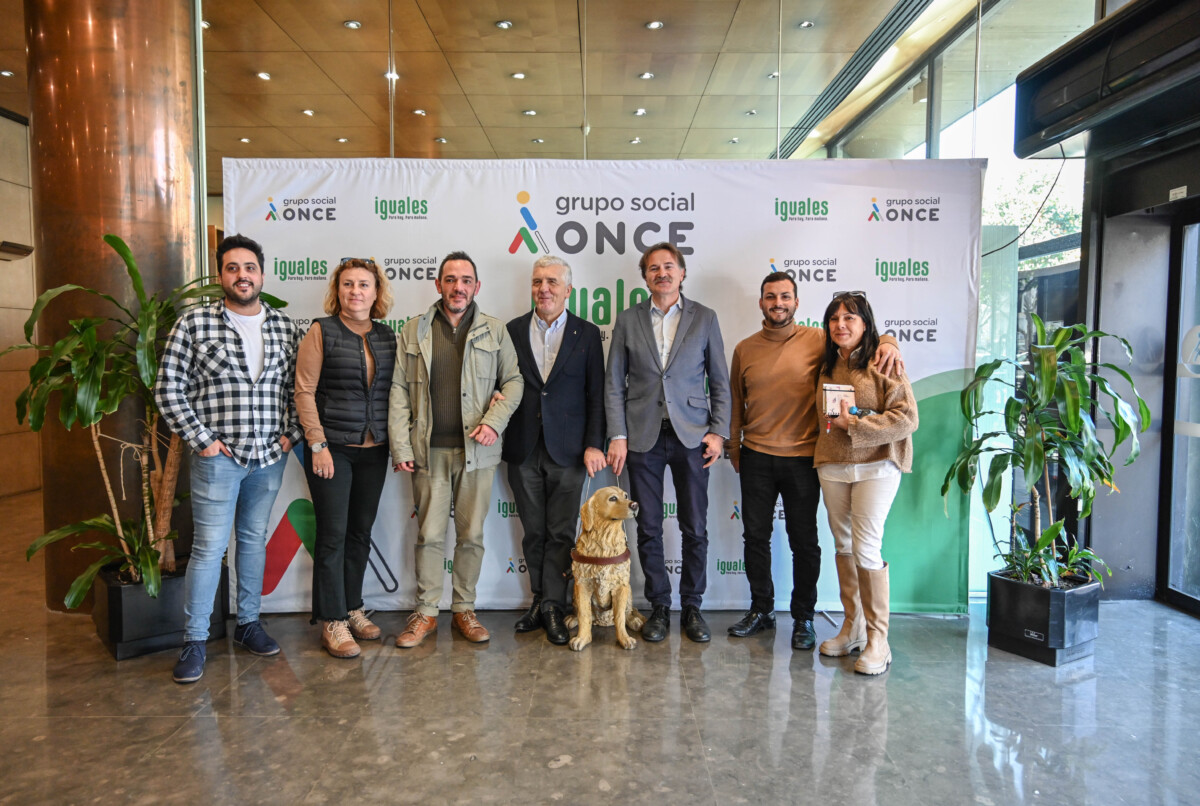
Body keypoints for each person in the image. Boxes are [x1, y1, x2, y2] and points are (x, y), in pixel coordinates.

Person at [726, 273, 901, 651]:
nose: (778, 303)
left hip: (805, 457)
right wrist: (734, 448)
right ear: (761, 302)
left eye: (785, 296)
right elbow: (736, 402)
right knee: (755, 537)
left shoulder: (819, 339)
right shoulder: (744, 348)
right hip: (755, 455)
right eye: (770, 297)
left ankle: (804, 616)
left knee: (804, 542)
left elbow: (862, 336)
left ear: (796, 302)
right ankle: (761, 609)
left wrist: (890, 341)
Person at [156, 234, 303, 684]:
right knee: (209, 549)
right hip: (218, 458)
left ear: (262, 274)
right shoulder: (194, 324)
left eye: (250, 267)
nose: (242, 275)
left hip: (269, 457)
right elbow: (168, 387)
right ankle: (195, 641)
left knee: (253, 540)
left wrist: (290, 435)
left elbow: (300, 390)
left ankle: (248, 624)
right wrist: (202, 440)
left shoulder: (285, 327)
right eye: (233, 268)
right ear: (220, 275)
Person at [388, 251, 523, 648]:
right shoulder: (414, 330)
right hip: (428, 452)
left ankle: (464, 609)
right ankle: (426, 612)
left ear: (476, 286)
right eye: (450, 279)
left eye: (466, 280)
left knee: (472, 535)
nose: (458, 287)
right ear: (438, 285)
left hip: (476, 454)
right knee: (429, 535)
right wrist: (401, 447)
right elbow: (399, 390)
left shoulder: (495, 331)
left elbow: (513, 381)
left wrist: (493, 422)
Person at [605, 242, 730, 643]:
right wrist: (618, 435)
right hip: (642, 435)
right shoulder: (628, 320)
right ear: (645, 277)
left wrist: (718, 431)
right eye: (654, 268)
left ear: (682, 273)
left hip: (692, 435)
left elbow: (720, 381)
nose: (662, 273)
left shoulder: (705, 317)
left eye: (669, 266)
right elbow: (614, 383)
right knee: (648, 526)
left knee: (695, 526)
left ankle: (692, 605)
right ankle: (659, 604)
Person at [294, 258, 396, 658]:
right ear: (337, 291)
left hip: (374, 449)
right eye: (348, 284)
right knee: (333, 535)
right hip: (331, 449)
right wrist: (317, 444)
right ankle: (332, 621)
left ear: (376, 292)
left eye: (364, 285)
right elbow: (304, 391)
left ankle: (353, 607)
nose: (356, 291)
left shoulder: (386, 336)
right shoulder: (322, 331)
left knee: (359, 534)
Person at [503, 255, 607, 645]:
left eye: (551, 282)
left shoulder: (587, 333)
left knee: (561, 532)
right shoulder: (512, 330)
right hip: (523, 445)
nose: (543, 289)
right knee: (533, 532)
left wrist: (594, 443)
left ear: (568, 290)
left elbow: (596, 394)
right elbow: (501, 381)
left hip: (570, 449)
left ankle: (554, 606)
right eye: (537, 281)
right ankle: (539, 600)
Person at [814, 291, 918, 675]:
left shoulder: (884, 361)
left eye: (850, 318)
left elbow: (907, 419)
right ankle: (853, 627)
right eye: (834, 318)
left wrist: (855, 424)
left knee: (867, 548)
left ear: (866, 324)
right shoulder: (825, 364)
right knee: (843, 545)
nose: (840, 325)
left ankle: (878, 640)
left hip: (877, 466)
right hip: (832, 465)